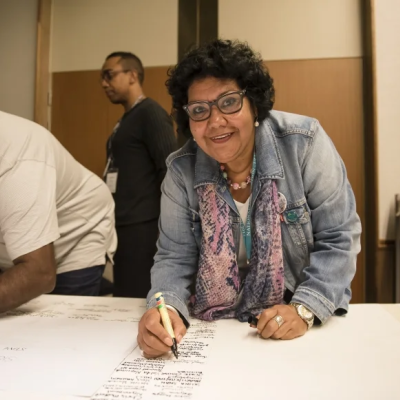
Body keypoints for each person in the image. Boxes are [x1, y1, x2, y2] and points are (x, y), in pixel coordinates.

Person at [137, 39, 362, 357]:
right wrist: (167, 309)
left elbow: (340, 237)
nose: (215, 122)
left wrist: (304, 308)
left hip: (296, 320)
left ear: (254, 105)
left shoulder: (304, 143)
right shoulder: (180, 170)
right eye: (199, 110)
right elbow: (174, 258)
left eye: (229, 102)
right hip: (216, 328)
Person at [0, 111, 117, 313]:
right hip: (14, 243)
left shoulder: (18, 157)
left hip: (76, 231)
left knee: (60, 328)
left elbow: (39, 273)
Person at [101, 52, 177, 298]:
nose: (104, 83)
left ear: (132, 75)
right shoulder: (126, 119)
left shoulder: (150, 113)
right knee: (124, 294)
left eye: (109, 75)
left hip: (143, 227)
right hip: (122, 224)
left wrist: (166, 227)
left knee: (135, 298)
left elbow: (170, 170)